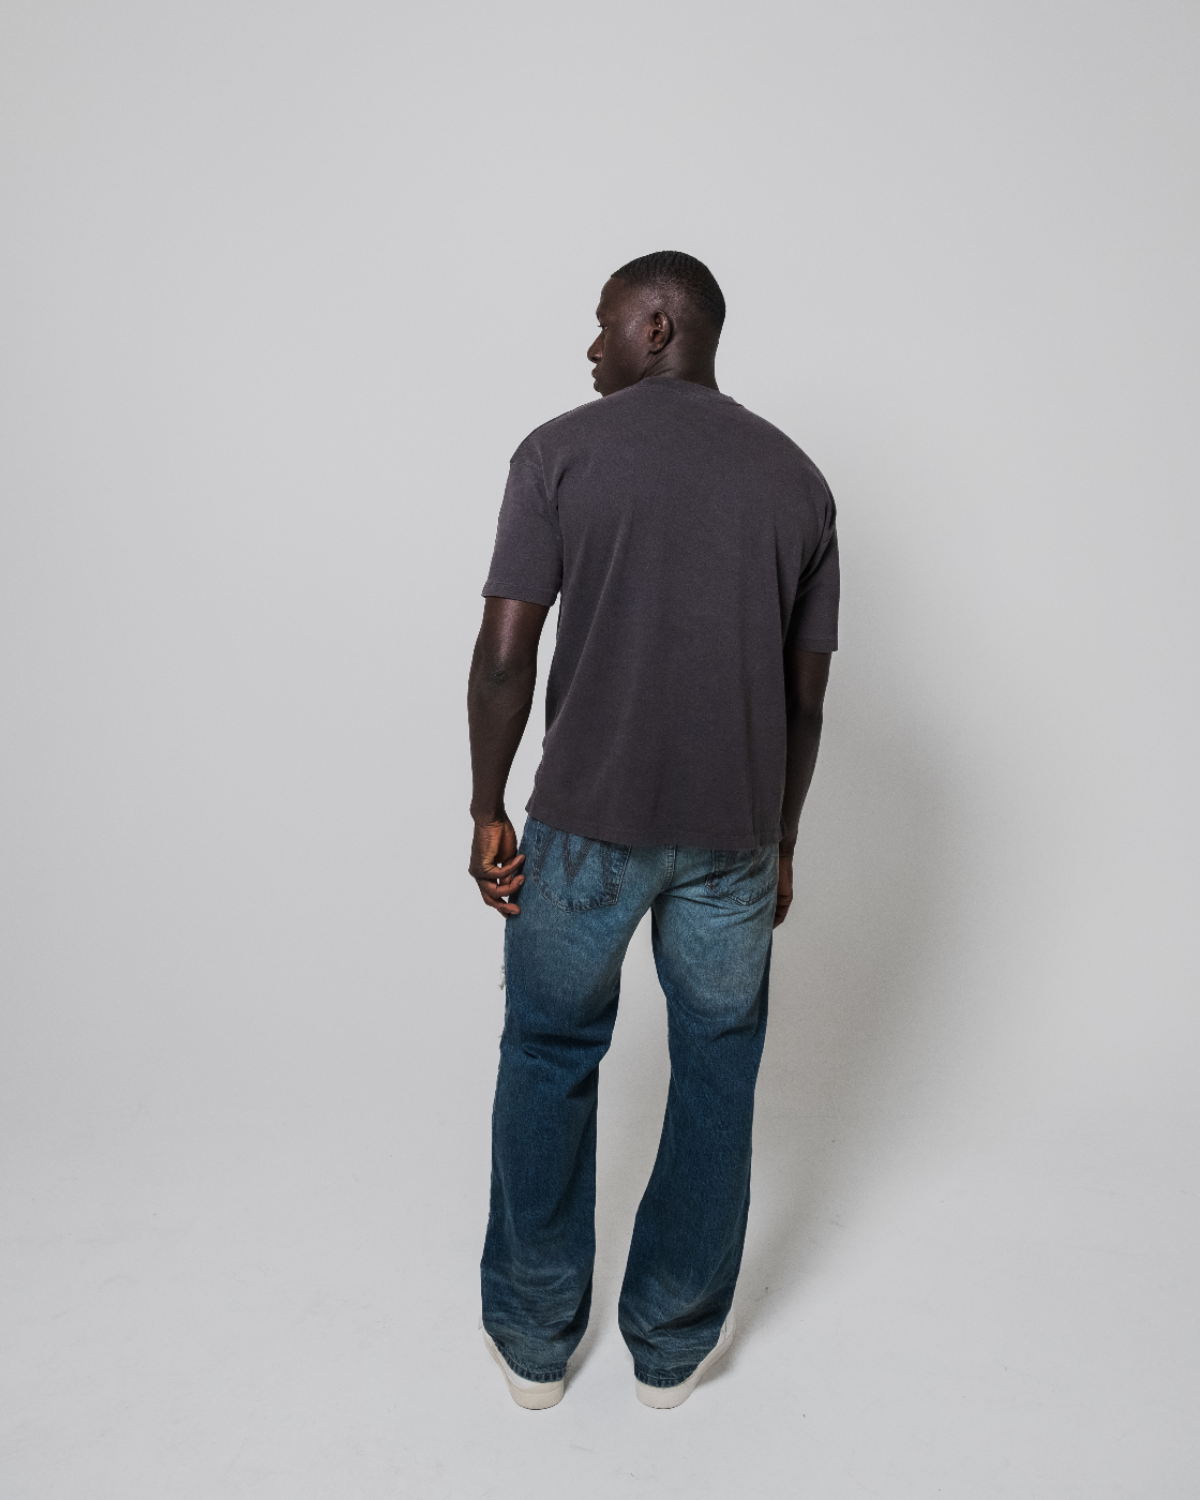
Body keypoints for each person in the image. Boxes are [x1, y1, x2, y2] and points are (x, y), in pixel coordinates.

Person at [467, 251, 839, 1410]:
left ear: (660, 324)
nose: (592, 348)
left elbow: (506, 654)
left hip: (585, 826)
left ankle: (535, 1340)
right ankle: (673, 1347)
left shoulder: (558, 455)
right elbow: (807, 699)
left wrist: (485, 807)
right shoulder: (798, 481)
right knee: (718, 1070)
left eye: (605, 324)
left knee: (547, 1053)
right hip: (733, 839)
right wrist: (781, 837)